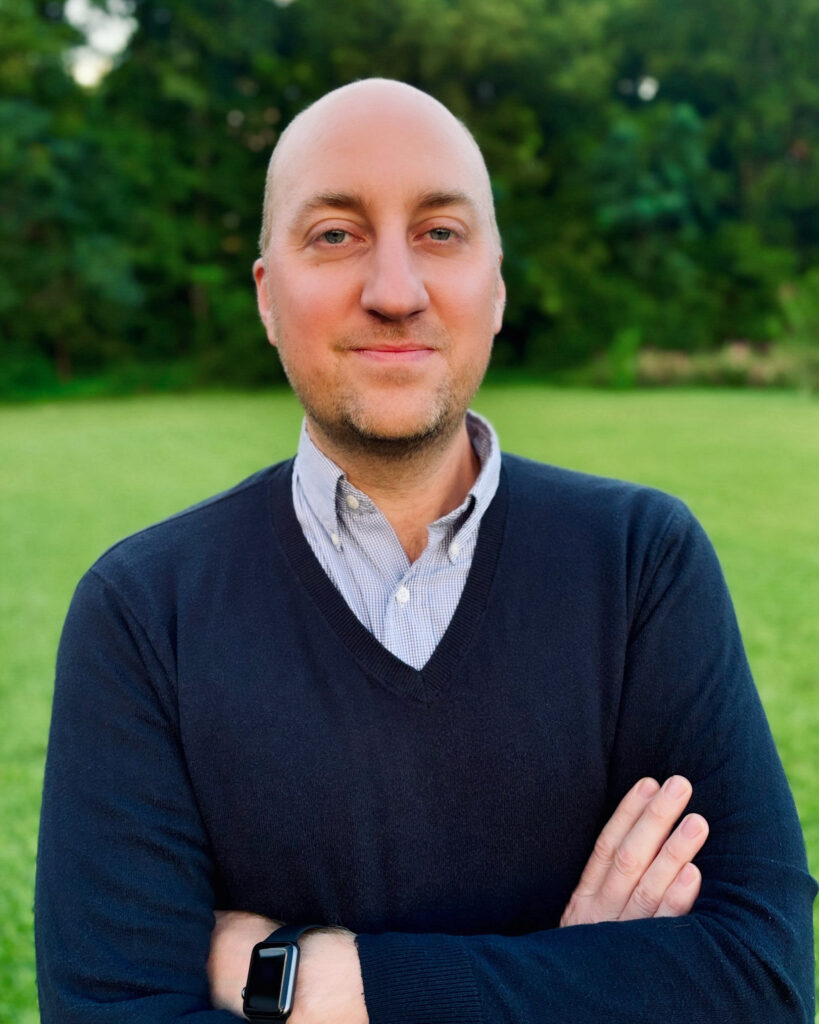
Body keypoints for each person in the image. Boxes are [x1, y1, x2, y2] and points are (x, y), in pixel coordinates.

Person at [35, 78, 815, 1023]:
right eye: (335, 234)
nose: (395, 292)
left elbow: (761, 977)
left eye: (440, 234)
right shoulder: (142, 612)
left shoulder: (639, 563)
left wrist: (317, 980)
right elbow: (118, 1009)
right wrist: (581, 984)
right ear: (266, 294)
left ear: (494, 286)